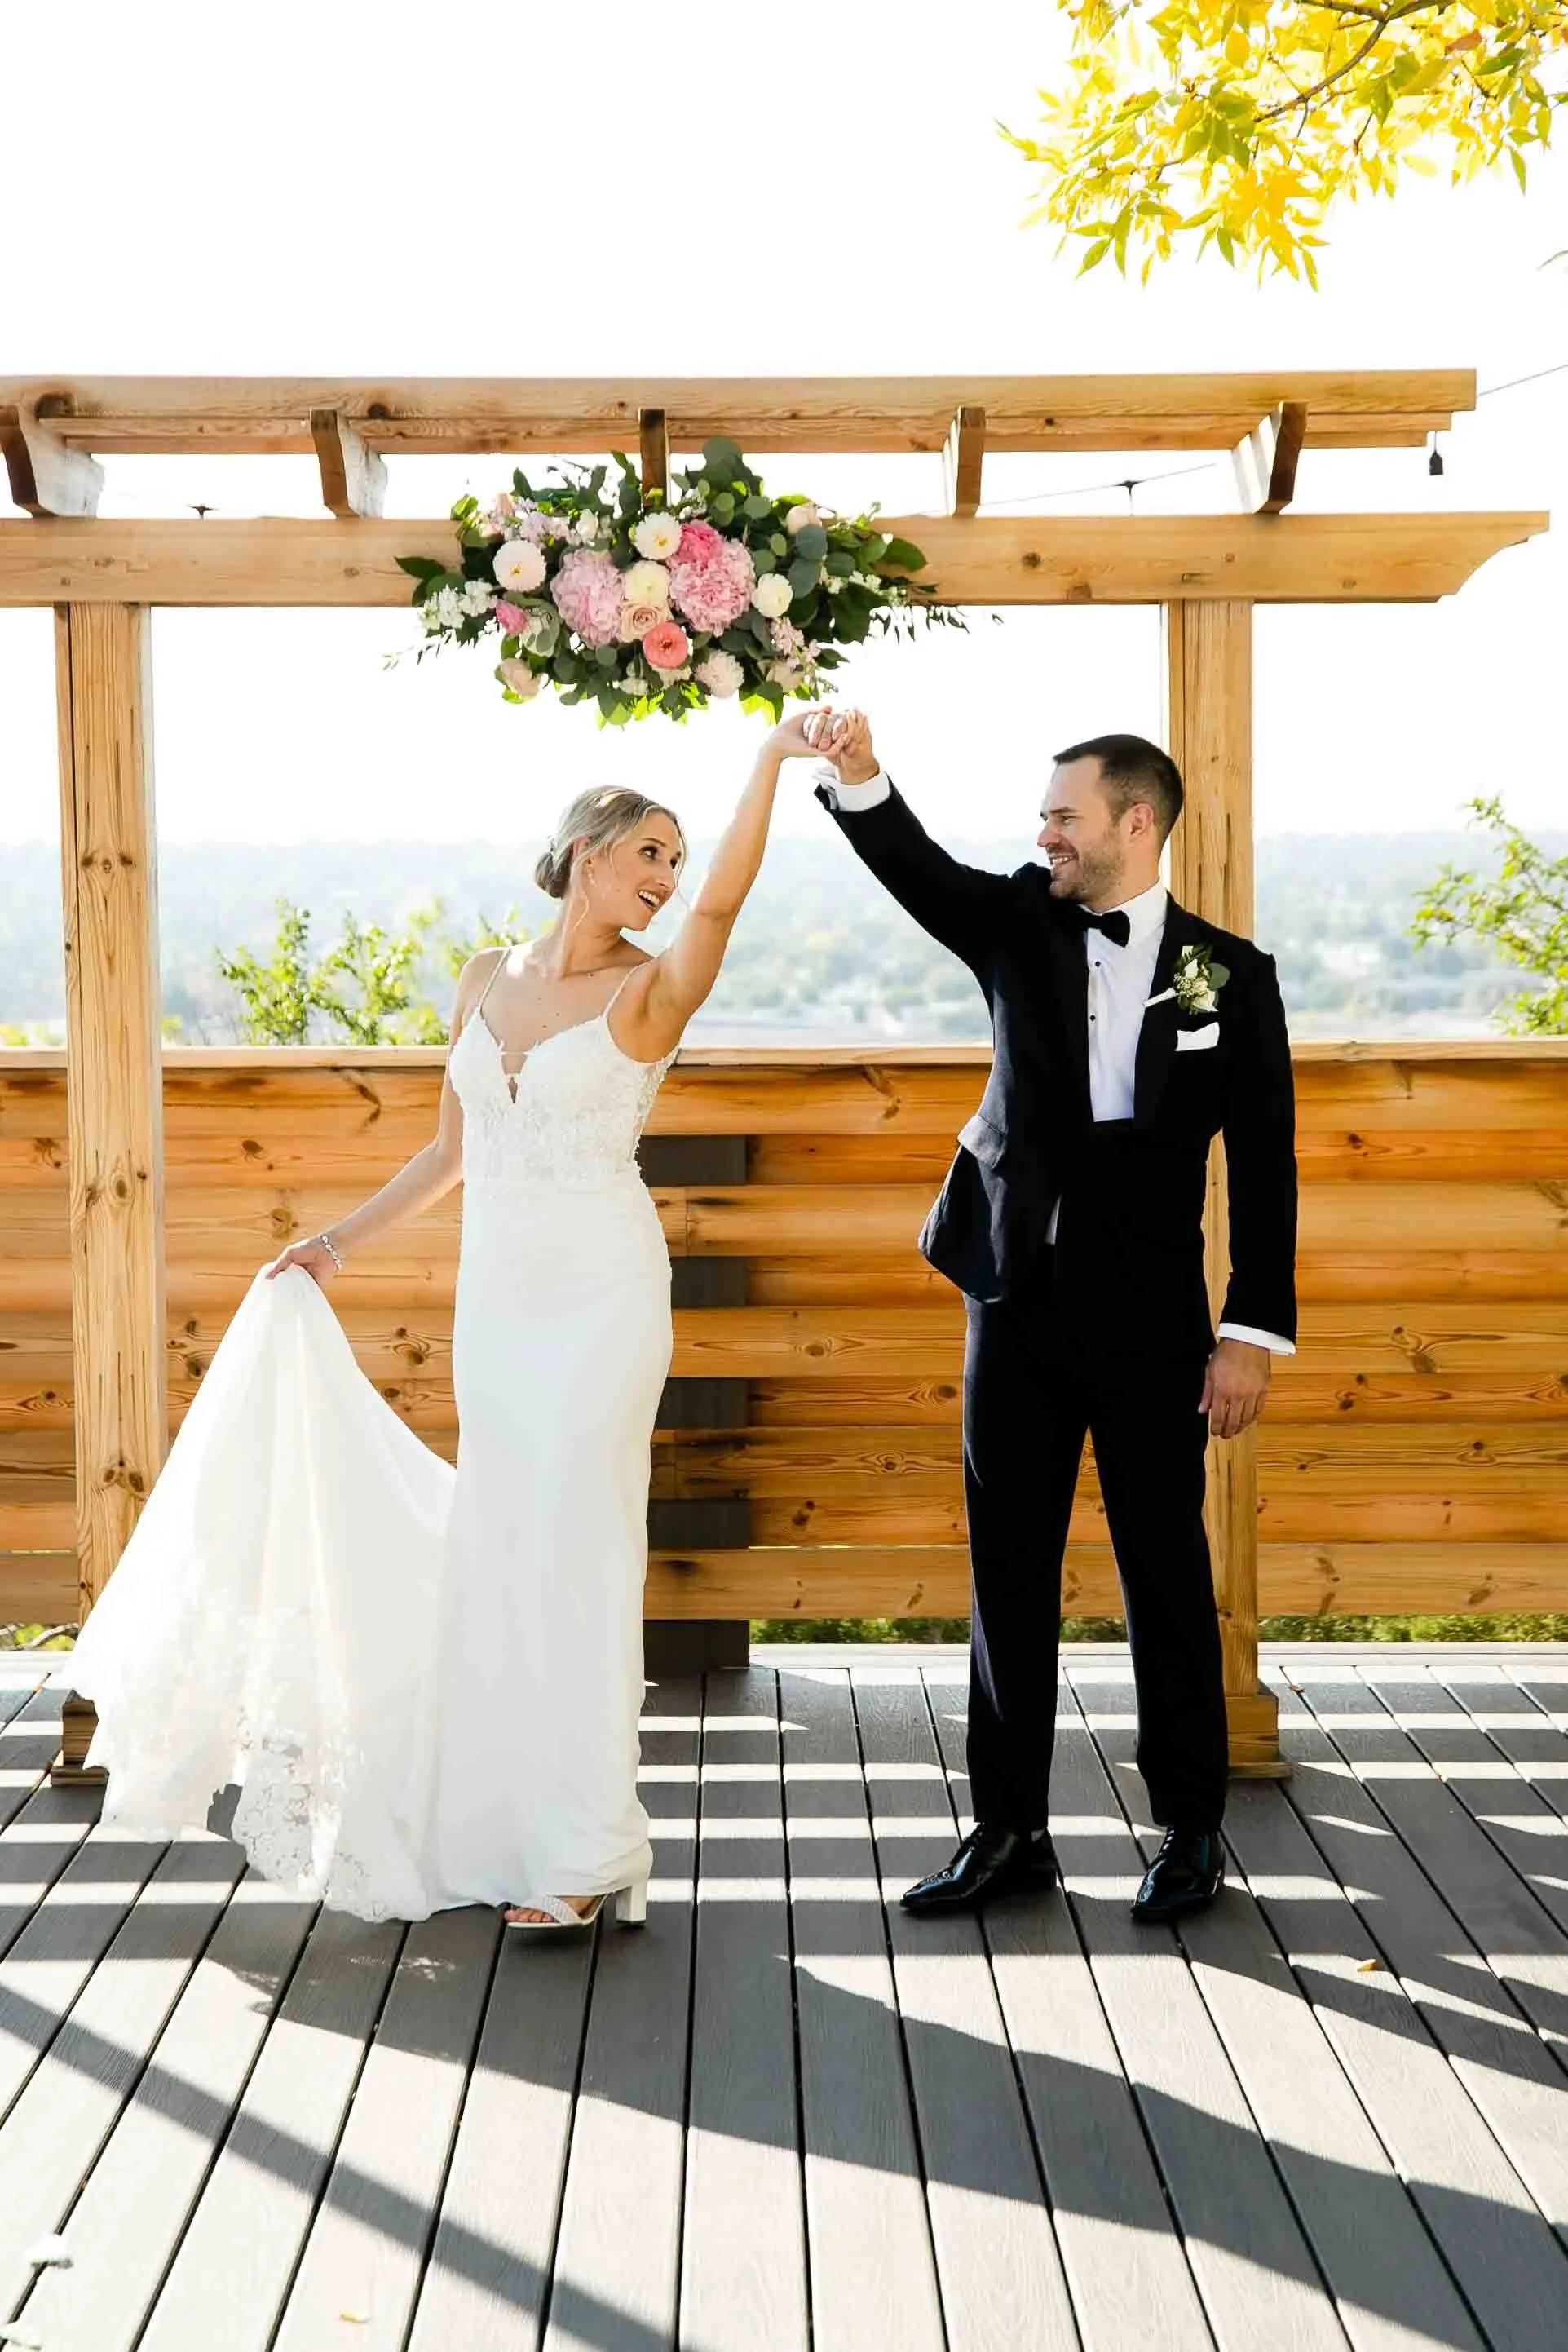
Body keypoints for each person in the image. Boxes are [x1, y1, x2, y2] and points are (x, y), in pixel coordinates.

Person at [62, 713, 828, 1933]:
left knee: (579, 1554)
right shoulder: (485, 976)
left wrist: (770, 765)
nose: (668, 879)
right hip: (499, 1304)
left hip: (601, 1296)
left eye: (678, 863)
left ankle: (586, 1850)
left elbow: (726, 911)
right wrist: (333, 1244)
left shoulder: (647, 992)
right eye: (652, 852)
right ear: (588, 848)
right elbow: (449, 1150)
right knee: (504, 1553)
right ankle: (497, 1824)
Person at [807, 710, 1297, 1924]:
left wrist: (1251, 1330)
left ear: (1136, 822)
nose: (1044, 836)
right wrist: (862, 773)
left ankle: (1188, 1828)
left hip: (1153, 1325)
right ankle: (1008, 1831)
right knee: (1007, 1571)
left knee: (1163, 1568)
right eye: (1042, 818)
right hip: (1012, 1303)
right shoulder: (1018, 925)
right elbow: (913, 870)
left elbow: (1271, 1169)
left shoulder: (1224, 977)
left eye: (1064, 816)